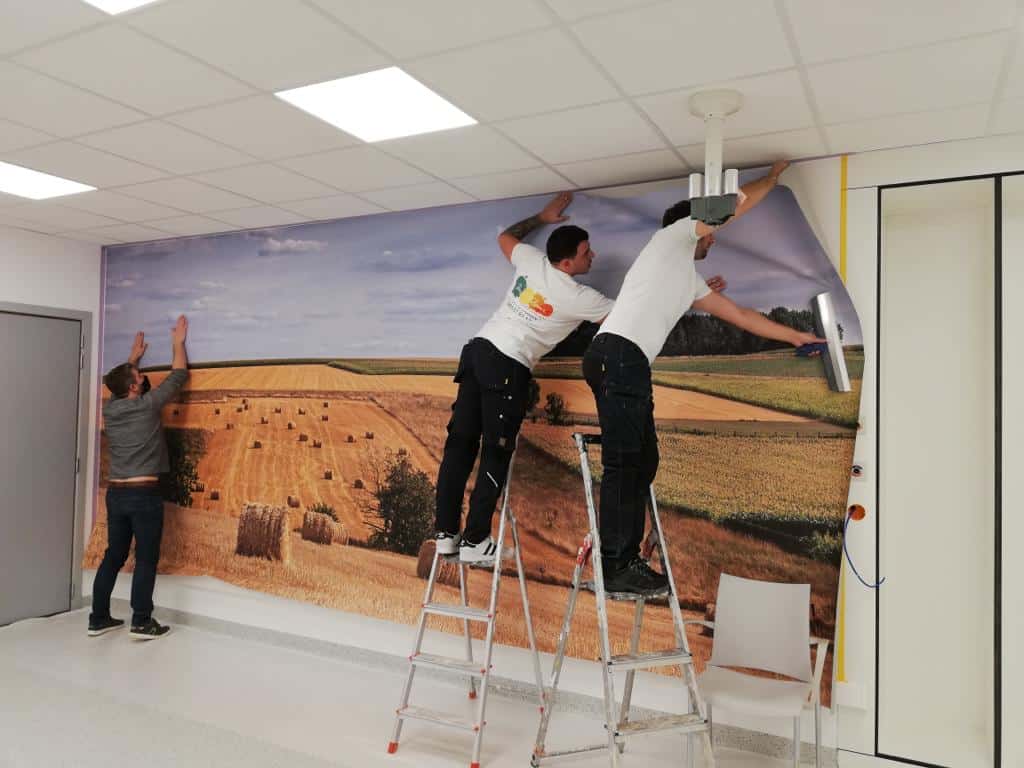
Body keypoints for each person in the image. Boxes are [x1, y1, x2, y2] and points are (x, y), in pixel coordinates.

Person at [435, 192, 725, 564]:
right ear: (569, 262)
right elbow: (633, 317)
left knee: (459, 446)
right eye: (587, 253)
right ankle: (475, 542)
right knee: (495, 452)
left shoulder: (531, 261)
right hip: (507, 365)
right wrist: (691, 294)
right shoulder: (582, 298)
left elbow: (505, 236)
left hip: (476, 352)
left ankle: (445, 535)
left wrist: (542, 217)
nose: (594, 256)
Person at [583, 161, 825, 595]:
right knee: (625, 463)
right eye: (708, 231)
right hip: (618, 355)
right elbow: (730, 208)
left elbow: (742, 316)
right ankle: (617, 565)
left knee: (644, 461)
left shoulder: (688, 280)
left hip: (626, 361)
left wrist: (795, 337)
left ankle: (624, 556)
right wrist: (771, 178)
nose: (713, 238)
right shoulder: (669, 237)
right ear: (692, 227)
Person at [89, 315, 190, 639]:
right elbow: (178, 375)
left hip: (116, 495)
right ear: (133, 387)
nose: (143, 377)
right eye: (138, 376)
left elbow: (117, 387)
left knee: (113, 556)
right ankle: (142, 621)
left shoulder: (111, 409)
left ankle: (98, 617)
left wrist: (132, 359)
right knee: (146, 558)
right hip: (143, 495)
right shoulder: (148, 406)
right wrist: (177, 343)